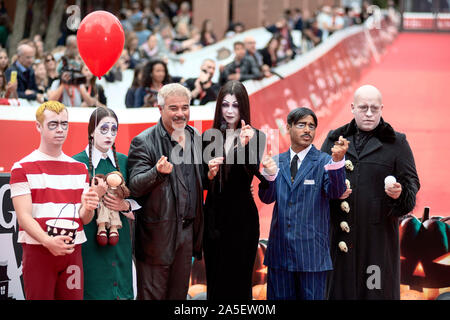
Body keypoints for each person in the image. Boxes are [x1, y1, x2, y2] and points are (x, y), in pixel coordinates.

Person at [320, 85, 420, 300]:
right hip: (340, 238)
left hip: (377, 240)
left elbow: (412, 183)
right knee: (339, 293)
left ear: (382, 108)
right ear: (352, 108)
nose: (369, 113)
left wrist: (399, 194)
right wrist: (332, 190)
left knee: (374, 292)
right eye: (363, 107)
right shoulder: (333, 139)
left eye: (374, 108)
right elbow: (319, 183)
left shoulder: (396, 142)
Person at [9, 101, 99, 300]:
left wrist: (90, 207)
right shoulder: (22, 167)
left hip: (72, 251)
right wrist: (48, 241)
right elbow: (23, 218)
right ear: (38, 126)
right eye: (53, 124)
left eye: (64, 124)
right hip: (38, 251)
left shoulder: (80, 168)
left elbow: (84, 219)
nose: (60, 129)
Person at [258, 107, 348, 300]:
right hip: (280, 256)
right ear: (289, 128)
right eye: (301, 125)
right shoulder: (276, 162)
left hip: (312, 257)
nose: (307, 130)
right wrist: (269, 175)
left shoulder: (325, 161)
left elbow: (335, 191)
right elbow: (266, 198)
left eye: (312, 126)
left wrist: (338, 162)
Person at [127, 83, 204, 300]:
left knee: (178, 297)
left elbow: (197, 181)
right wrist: (157, 173)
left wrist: (212, 172)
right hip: (156, 237)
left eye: (185, 107)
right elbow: (134, 186)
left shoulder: (195, 137)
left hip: (187, 234)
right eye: (174, 108)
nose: (180, 113)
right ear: (159, 109)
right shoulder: (143, 141)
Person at [203, 80, 266, 300]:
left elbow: (251, 173)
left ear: (244, 108)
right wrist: (209, 174)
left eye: (235, 105)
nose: (230, 111)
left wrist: (243, 146)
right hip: (213, 218)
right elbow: (203, 181)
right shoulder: (209, 136)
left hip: (242, 219)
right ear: (219, 106)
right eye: (225, 105)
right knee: (216, 283)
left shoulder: (256, 136)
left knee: (240, 284)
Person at [72, 107, 139, 300]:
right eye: (103, 129)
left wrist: (125, 205)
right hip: (90, 238)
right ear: (91, 131)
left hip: (120, 236)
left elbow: (140, 202)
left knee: (122, 291)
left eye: (113, 129)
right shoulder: (77, 163)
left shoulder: (125, 161)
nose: (109, 135)